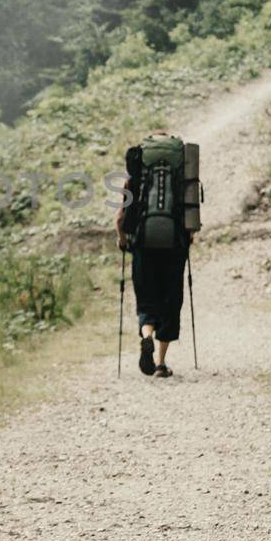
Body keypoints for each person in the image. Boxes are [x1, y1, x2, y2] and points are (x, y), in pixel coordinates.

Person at [116, 130, 195, 378]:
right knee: (170, 299)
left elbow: (122, 216)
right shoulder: (182, 170)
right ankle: (161, 364)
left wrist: (122, 238)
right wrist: (188, 237)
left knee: (147, 299)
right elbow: (192, 212)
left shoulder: (137, 173)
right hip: (174, 244)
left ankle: (146, 336)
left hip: (143, 243)